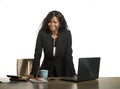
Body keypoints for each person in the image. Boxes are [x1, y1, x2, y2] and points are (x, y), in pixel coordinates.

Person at [30, 10, 76, 77]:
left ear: (60, 23)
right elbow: (37, 54)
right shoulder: (42, 34)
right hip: (46, 72)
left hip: (63, 72)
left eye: (55, 22)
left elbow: (68, 55)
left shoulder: (67, 34)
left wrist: (73, 73)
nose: (52, 24)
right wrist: (33, 73)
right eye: (50, 22)